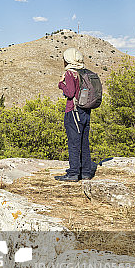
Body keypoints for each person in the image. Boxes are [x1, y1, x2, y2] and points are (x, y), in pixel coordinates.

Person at [55, 47, 95, 181]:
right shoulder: (84, 72)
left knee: (73, 143)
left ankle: (73, 173)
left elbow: (70, 93)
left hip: (73, 111)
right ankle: (86, 172)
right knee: (84, 142)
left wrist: (61, 84)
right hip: (85, 111)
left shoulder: (70, 73)